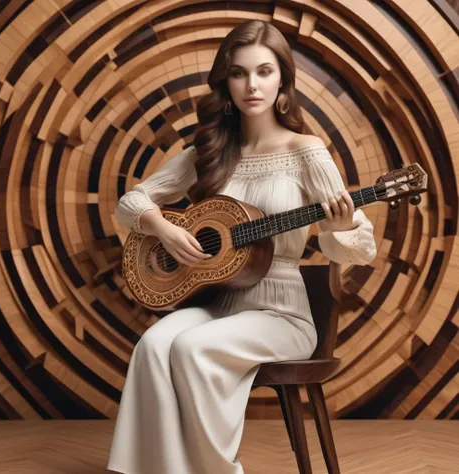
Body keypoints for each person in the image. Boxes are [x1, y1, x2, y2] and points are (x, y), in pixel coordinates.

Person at [107, 20, 376, 474]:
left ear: (283, 80)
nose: (252, 85)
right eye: (239, 73)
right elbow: (130, 203)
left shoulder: (306, 150)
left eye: (265, 72)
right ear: (225, 82)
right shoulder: (210, 151)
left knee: (192, 348)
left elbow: (359, 248)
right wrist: (163, 228)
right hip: (216, 301)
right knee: (154, 345)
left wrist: (343, 226)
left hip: (282, 314)